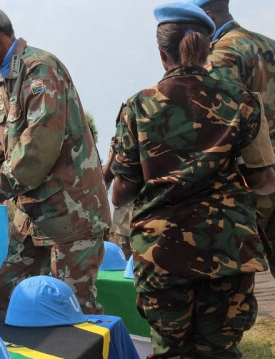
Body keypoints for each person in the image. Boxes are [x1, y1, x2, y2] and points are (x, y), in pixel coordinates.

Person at [110, 3, 275, 357]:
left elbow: (121, 193)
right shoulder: (244, 102)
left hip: (162, 255)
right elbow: (264, 180)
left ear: (161, 53)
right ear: (206, 48)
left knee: (171, 352)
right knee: (220, 351)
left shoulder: (137, 107)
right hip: (227, 252)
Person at [0, 4, 111, 315]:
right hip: (32, 218)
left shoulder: (39, 70)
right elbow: (0, 158)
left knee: (74, 317)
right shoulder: (1, 89)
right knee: (7, 306)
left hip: (72, 217)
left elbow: (37, 152)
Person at [190, 0, 275, 254]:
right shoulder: (268, 44)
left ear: (206, 15)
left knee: (234, 271)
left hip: (254, 173)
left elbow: (220, 122)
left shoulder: (221, 54)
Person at [102, 138, 132, 259]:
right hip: (124, 227)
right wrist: (114, 154)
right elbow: (103, 181)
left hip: (149, 224)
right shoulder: (120, 148)